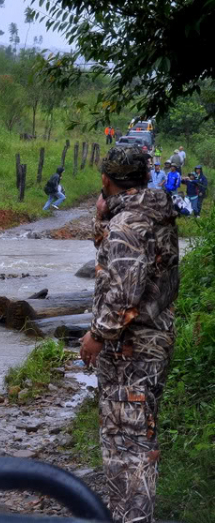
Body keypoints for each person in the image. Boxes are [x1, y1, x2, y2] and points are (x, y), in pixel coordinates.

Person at [81, 146, 179, 523]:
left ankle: (132, 518)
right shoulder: (156, 210)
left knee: (127, 446)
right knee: (139, 436)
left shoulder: (126, 227)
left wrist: (96, 335)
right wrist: (101, 212)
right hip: (155, 341)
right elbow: (108, 248)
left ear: (106, 179)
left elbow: (123, 295)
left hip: (131, 351)